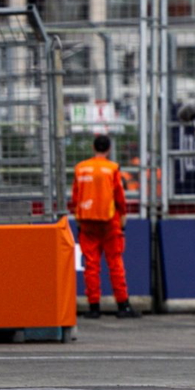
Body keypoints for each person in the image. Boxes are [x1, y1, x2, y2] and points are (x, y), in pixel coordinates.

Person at [71, 133, 135, 319]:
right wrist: (123, 215)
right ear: (108, 149)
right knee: (115, 263)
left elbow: (75, 197)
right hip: (109, 221)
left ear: (93, 147)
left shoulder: (80, 168)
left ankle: (93, 307)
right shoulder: (112, 168)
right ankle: (123, 305)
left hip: (87, 220)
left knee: (91, 265)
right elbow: (120, 197)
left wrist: (78, 216)